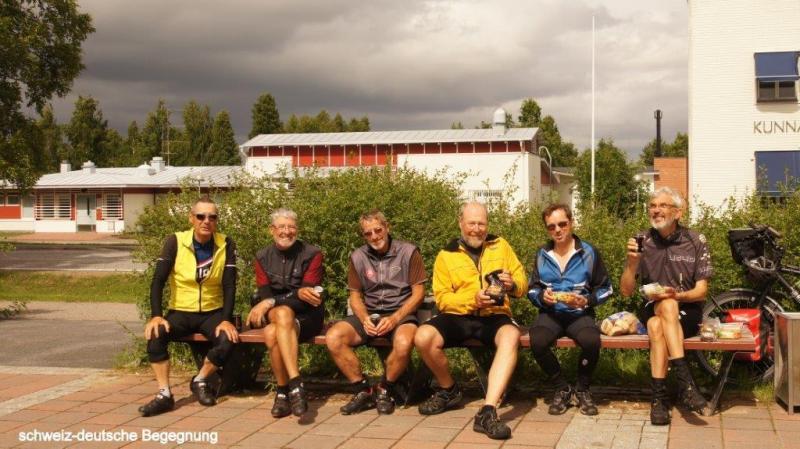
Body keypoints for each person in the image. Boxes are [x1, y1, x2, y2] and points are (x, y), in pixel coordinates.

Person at [414, 201, 527, 440]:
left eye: (481, 224)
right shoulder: (446, 255)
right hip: (458, 316)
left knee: (511, 336)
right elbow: (443, 299)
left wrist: (512, 285)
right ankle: (449, 389)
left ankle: (488, 410)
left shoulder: (501, 245)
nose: (476, 229)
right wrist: (472, 300)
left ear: (488, 225)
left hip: (494, 315)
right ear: (461, 223)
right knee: (423, 336)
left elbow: (522, 283)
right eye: (471, 223)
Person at [139, 196, 239, 417]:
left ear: (217, 220)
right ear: (191, 218)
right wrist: (156, 315)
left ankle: (200, 380)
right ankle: (164, 394)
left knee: (228, 339)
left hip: (212, 312)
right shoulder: (175, 241)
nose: (206, 221)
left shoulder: (226, 243)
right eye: (201, 216)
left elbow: (230, 285)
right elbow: (158, 281)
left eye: (212, 217)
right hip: (180, 311)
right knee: (156, 334)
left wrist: (226, 319)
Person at [620, 187, 712, 425]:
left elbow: (702, 291)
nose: (656, 210)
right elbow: (626, 291)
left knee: (656, 325)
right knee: (665, 306)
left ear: (678, 212)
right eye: (652, 205)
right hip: (651, 304)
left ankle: (659, 400)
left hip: (688, 310)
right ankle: (685, 382)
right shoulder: (642, 240)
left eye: (663, 205)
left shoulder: (695, 240)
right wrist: (632, 264)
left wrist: (678, 295)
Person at [325, 210, 427, 415]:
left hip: (400, 312)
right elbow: (355, 296)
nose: (374, 236)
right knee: (333, 337)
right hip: (370, 313)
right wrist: (364, 319)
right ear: (363, 235)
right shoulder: (358, 256)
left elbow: (419, 293)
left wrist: (395, 318)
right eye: (368, 233)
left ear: (387, 227)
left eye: (378, 230)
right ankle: (363, 390)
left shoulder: (409, 252)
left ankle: (384, 388)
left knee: (404, 342)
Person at [527, 204, 612, 416]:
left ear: (571, 223)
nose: (557, 230)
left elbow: (606, 289)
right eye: (551, 226)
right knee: (537, 341)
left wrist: (586, 301)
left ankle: (582, 389)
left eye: (562, 224)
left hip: (579, 314)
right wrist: (542, 298)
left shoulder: (589, 252)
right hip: (551, 313)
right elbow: (532, 289)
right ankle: (562, 388)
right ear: (547, 229)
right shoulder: (542, 254)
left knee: (592, 341)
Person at [247, 208, 324, 418]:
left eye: (291, 227)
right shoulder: (262, 257)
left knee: (272, 331)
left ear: (297, 230)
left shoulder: (312, 254)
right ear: (272, 230)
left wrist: (273, 301)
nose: (287, 231)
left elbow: (306, 297)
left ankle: (282, 391)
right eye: (282, 226)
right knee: (282, 313)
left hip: (308, 316)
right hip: (277, 314)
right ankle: (296, 384)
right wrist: (276, 300)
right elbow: (266, 296)